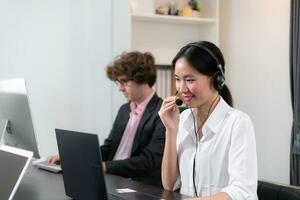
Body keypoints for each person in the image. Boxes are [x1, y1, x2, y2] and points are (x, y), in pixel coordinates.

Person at [47, 51, 165, 186]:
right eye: (118, 82)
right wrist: (71, 158)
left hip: (138, 186)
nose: (120, 88)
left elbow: (148, 161)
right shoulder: (124, 109)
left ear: (142, 79)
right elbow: (108, 148)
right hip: (112, 180)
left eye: (124, 82)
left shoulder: (162, 112)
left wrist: (103, 167)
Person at [158, 41, 258, 199]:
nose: (182, 89)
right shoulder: (183, 119)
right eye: (178, 79)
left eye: (190, 80)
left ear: (217, 80)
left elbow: (242, 191)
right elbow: (169, 184)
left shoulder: (238, 123)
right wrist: (171, 130)